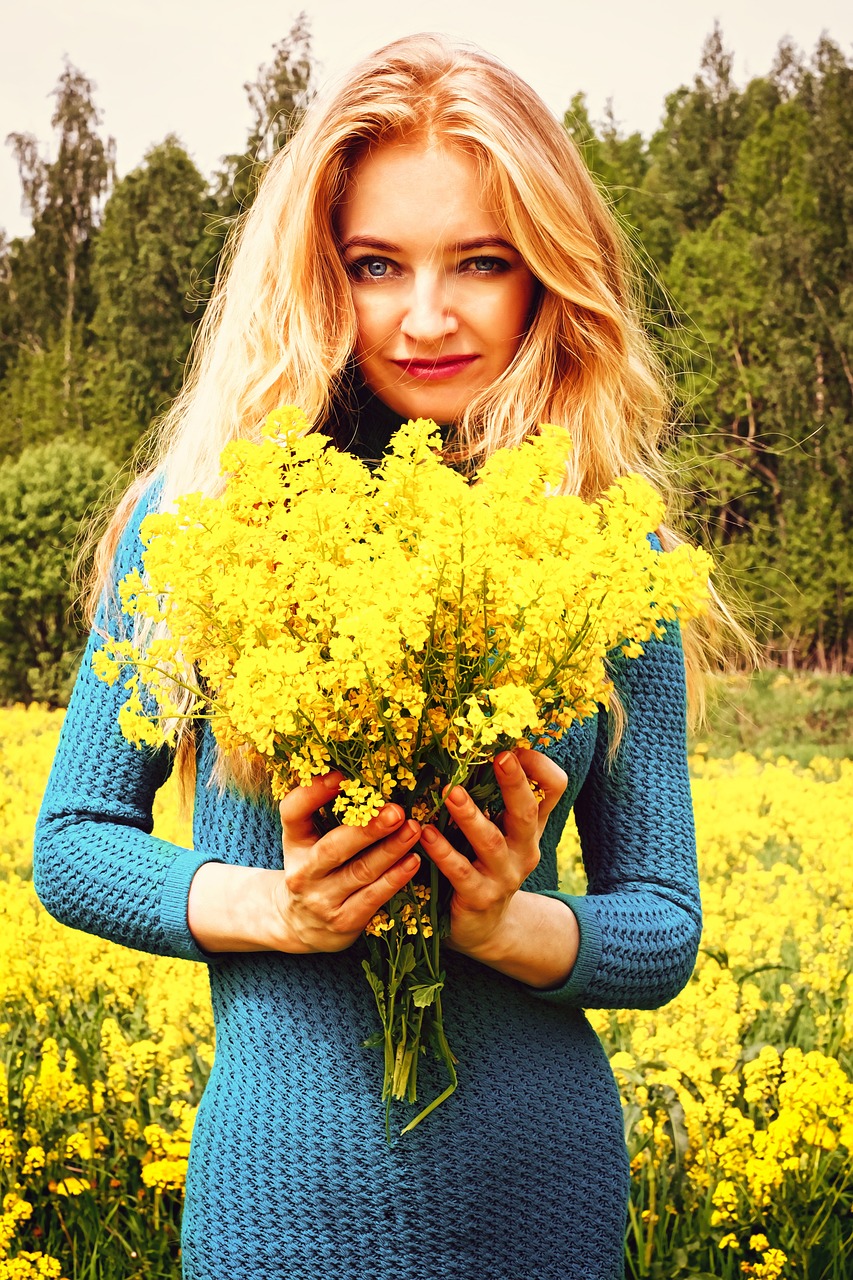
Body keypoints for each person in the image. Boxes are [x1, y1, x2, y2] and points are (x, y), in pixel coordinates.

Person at [35, 33, 704, 1280]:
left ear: (546, 280)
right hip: (277, 1196)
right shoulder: (195, 528)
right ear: (316, 274)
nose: (428, 315)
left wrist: (507, 926)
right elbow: (72, 840)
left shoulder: (609, 549)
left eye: (482, 263)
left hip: (543, 1191)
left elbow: (661, 926)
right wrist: (275, 909)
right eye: (376, 265)